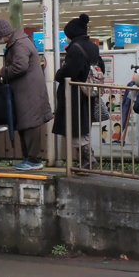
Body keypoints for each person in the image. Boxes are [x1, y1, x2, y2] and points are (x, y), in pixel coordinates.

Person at [0, 19, 53, 170]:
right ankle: (28, 158)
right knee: (26, 123)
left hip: (29, 91)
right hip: (27, 90)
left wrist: (2, 71)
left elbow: (20, 66)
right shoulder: (19, 41)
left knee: (30, 124)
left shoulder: (19, 44)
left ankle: (34, 160)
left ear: (1, 35)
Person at [52, 14, 103, 168]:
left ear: (71, 34)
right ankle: (86, 159)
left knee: (75, 128)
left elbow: (70, 71)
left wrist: (58, 74)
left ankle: (87, 159)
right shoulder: (93, 47)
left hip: (75, 95)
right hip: (89, 93)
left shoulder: (75, 48)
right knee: (83, 127)